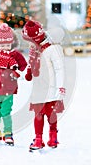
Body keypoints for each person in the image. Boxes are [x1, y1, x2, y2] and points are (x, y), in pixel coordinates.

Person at [21, 20, 66, 151]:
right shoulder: (34, 50)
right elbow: (31, 65)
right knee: (38, 114)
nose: (28, 44)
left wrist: (60, 86)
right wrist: (28, 73)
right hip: (39, 89)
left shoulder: (51, 50)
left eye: (29, 41)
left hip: (51, 88)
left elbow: (59, 69)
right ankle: (39, 138)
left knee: (51, 114)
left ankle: (53, 136)